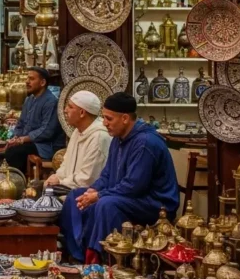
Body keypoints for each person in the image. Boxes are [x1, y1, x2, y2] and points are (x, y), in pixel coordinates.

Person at [59, 93, 180, 264]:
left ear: (124, 118)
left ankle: (106, 260)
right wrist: (94, 189)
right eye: (103, 118)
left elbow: (134, 186)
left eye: (109, 118)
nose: (104, 123)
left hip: (154, 203)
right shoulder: (118, 138)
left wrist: (99, 196)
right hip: (129, 196)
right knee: (76, 195)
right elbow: (107, 174)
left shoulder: (145, 142)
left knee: (106, 204)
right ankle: (78, 254)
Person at [0, 67, 65, 173]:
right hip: (28, 143)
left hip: (44, 146)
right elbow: (21, 123)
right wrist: (16, 137)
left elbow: (46, 131)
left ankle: (16, 182)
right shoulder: (29, 99)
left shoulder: (51, 102)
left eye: (32, 79)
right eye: (27, 78)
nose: (27, 82)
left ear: (42, 82)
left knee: (15, 153)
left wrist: (23, 139)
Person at [44, 91, 112, 191]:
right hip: (68, 188)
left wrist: (60, 183)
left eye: (70, 107)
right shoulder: (77, 131)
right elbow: (66, 164)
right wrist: (56, 177)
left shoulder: (99, 137)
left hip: (86, 195)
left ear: (82, 113)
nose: (65, 110)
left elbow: (87, 179)